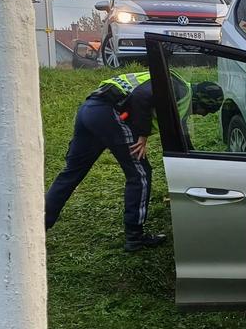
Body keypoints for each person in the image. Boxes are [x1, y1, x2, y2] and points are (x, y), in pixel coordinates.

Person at [44, 71, 224, 251]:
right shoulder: (178, 88)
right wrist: (143, 133)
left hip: (90, 109)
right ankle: (135, 237)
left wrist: (196, 165)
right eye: (205, 111)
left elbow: (181, 137)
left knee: (71, 173)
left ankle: (40, 224)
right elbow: (140, 95)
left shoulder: (178, 97)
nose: (202, 115)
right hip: (110, 114)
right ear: (200, 101)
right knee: (140, 175)